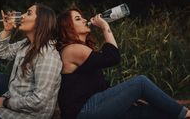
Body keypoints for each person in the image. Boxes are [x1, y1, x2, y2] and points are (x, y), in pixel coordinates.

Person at [56, 7, 190, 119]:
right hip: (83, 112)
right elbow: (113, 57)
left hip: (95, 106)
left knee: (152, 112)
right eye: (78, 19)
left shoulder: (81, 49)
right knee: (140, 83)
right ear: (67, 28)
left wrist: (126, 97)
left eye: (82, 17)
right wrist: (105, 27)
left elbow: (99, 85)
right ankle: (186, 113)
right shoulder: (72, 49)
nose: (85, 19)